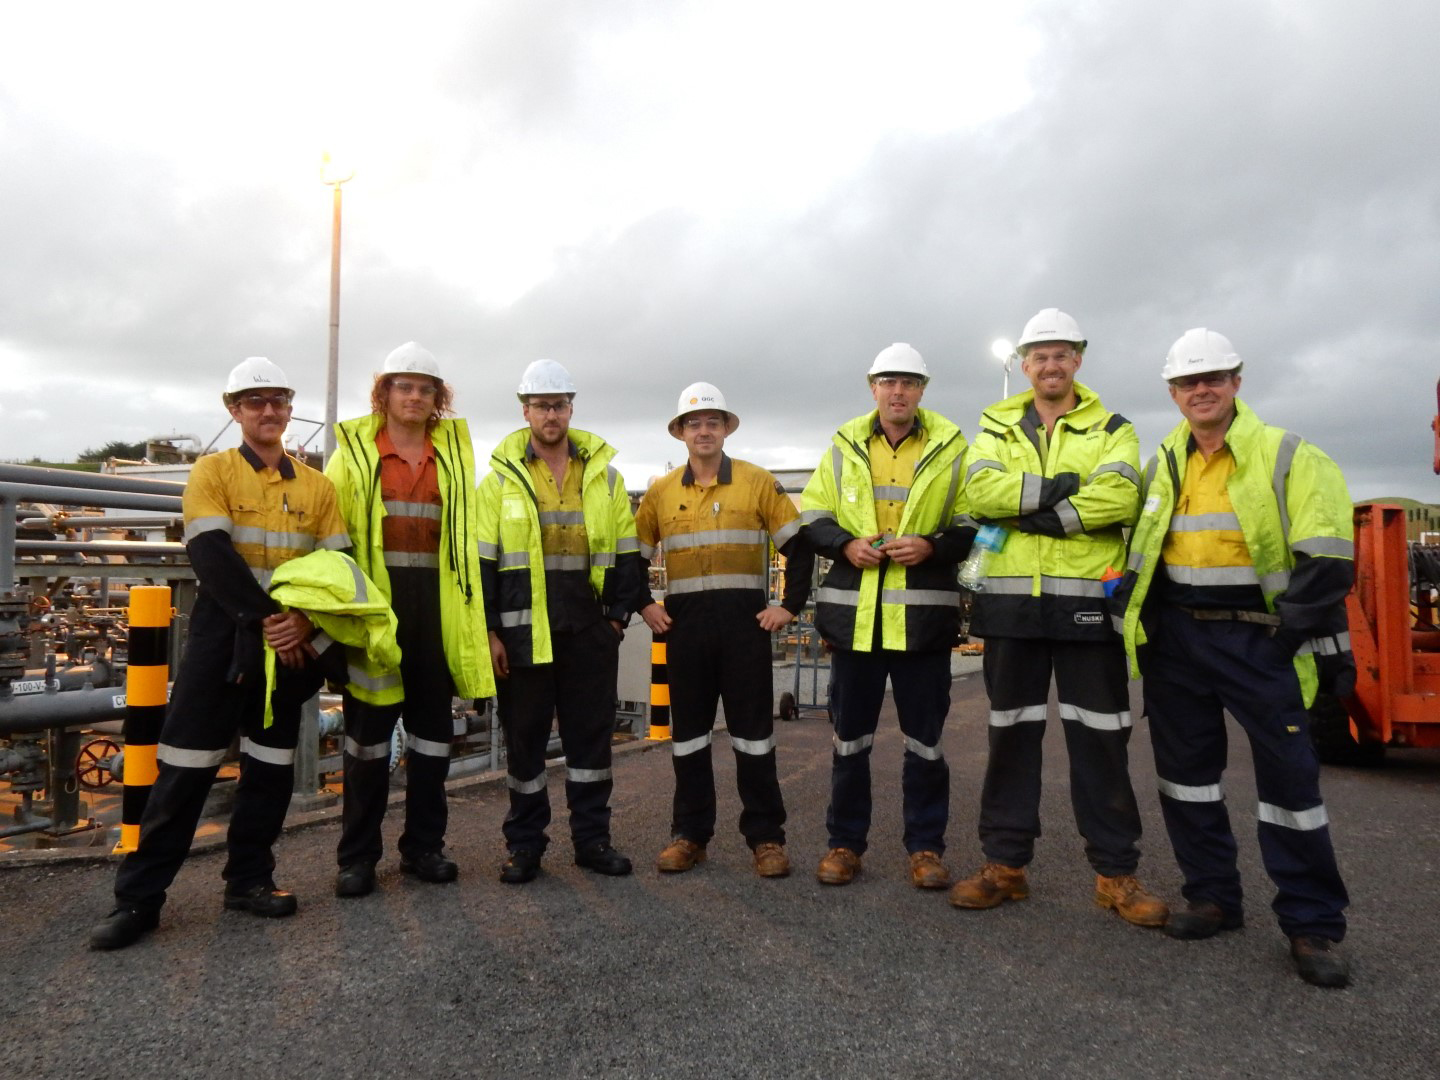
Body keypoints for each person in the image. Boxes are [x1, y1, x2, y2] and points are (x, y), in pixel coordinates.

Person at [1114, 328, 1354, 988]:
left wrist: (1286, 638)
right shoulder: (1163, 459)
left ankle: (1312, 925)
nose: (1201, 390)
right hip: (1179, 642)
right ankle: (1212, 896)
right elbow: (1142, 549)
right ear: (1173, 392)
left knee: (1290, 787)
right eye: (1189, 382)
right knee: (1187, 778)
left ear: (1237, 383)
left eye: (1213, 378)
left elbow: (1329, 558)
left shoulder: (1287, 454)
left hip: (1259, 639)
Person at [89, 358, 353, 949]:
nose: (269, 411)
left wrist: (305, 622)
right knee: (182, 772)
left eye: (278, 400)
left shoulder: (319, 488)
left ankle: (250, 881)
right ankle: (138, 902)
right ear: (233, 410)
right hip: (225, 640)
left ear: (288, 408)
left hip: (289, 648)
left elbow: (339, 568)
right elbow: (210, 554)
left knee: (270, 773)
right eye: (254, 401)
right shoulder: (211, 473)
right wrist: (270, 621)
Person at [950, 309, 1166, 927]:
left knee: (1101, 742)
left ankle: (1116, 874)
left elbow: (1120, 496)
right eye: (1039, 355)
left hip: (1087, 609)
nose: (1051, 364)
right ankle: (1005, 866)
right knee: (1010, 739)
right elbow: (979, 494)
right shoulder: (995, 423)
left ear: (1079, 360)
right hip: (1012, 607)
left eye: (1062, 353)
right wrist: (1067, 491)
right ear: (1024, 363)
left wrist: (1033, 510)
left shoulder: (1113, 426)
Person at [800, 344, 973, 888]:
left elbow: (974, 523)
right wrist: (847, 544)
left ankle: (925, 849)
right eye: (888, 381)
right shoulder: (842, 446)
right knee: (850, 740)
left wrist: (934, 547)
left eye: (909, 382)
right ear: (872, 386)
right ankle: (844, 846)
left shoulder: (952, 449)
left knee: (926, 743)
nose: (898, 391)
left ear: (923, 389)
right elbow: (812, 515)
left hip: (923, 624)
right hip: (856, 622)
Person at [325, 342, 494, 896]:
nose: (415, 395)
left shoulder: (452, 456)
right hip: (376, 609)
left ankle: (424, 848)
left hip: (436, 612)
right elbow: (332, 539)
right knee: (367, 742)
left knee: (432, 739)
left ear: (438, 398)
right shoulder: (352, 452)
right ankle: (358, 858)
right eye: (404, 385)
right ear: (385, 392)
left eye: (426, 388)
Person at [477, 359, 648, 883]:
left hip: (588, 633)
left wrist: (616, 621)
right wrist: (489, 632)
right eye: (541, 405)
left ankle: (592, 842)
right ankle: (525, 846)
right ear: (525, 410)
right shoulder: (498, 483)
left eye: (559, 404)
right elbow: (483, 562)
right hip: (523, 637)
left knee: (591, 744)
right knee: (525, 744)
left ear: (571, 408)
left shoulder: (605, 477)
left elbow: (627, 553)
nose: (551, 414)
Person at [636, 382, 812, 877]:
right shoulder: (661, 491)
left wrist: (789, 606)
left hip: (743, 630)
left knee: (754, 738)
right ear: (680, 432)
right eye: (694, 422)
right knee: (688, 737)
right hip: (686, 631)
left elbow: (798, 548)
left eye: (713, 421)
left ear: (726, 428)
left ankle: (766, 839)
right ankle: (690, 835)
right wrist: (643, 604)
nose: (704, 429)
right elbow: (633, 556)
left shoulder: (757, 483)